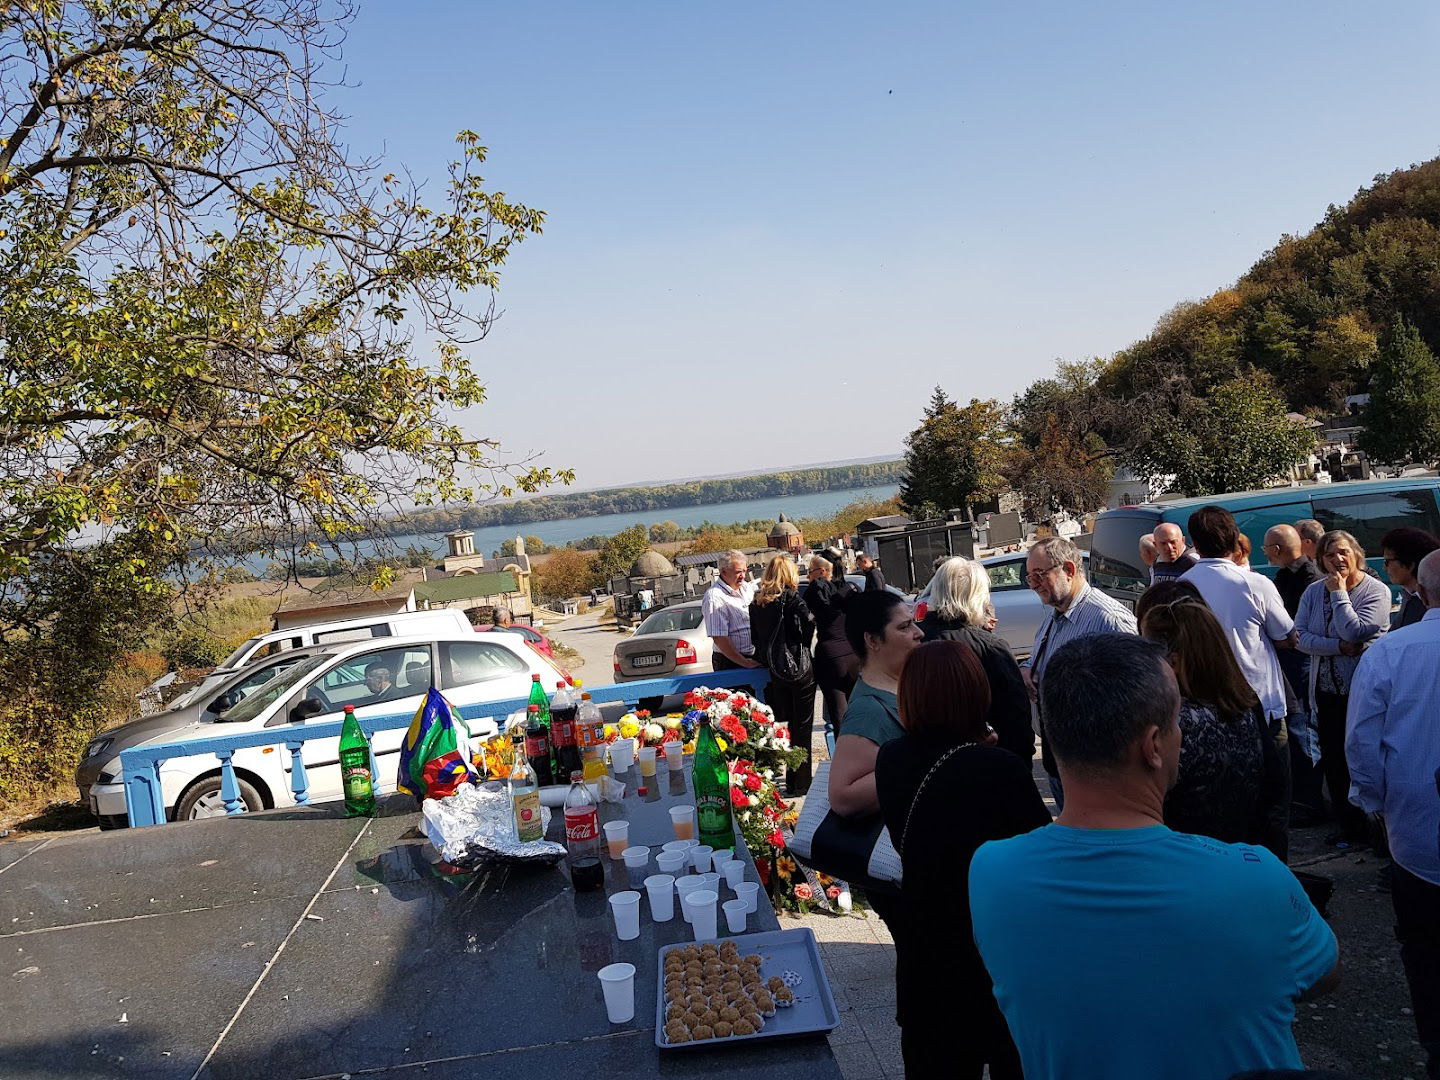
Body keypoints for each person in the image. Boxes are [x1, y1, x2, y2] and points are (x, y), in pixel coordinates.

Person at [969, 634, 1340, 1080]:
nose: (1181, 735)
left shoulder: (991, 871)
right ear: (1153, 746)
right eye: (1176, 721)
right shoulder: (1255, 877)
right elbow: (1323, 974)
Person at [876, 641, 1050, 1078]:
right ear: (977, 693)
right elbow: (1038, 850)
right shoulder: (1001, 770)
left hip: (927, 952)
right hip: (996, 952)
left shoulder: (891, 760)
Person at [1347, 549, 1440, 1077]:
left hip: (1416, 834)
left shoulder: (1391, 652)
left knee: (1427, 954)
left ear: (1420, 595)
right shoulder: (1390, 651)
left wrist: (1374, 803)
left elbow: (1362, 741)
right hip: (1415, 830)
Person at [1136, 589, 1270, 846]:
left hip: (1185, 860)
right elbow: (1272, 792)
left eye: (1149, 653)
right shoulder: (1242, 705)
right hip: (1240, 853)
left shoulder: (1177, 724)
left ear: (1173, 662)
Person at [1022, 536, 1138, 809]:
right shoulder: (1055, 614)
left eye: (1039, 575)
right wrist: (1027, 671)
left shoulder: (1107, 618)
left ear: (1070, 570)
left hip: (1097, 766)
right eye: (1029, 577)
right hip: (1061, 760)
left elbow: (1138, 692)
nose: (1034, 585)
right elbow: (1039, 659)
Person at [1295, 529, 1390, 845]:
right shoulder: (1312, 592)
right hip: (1325, 689)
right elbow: (1301, 638)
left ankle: (1376, 823)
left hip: (1363, 691)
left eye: (1343, 552)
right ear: (1320, 559)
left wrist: (1339, 595)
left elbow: (1356, 631)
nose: (1337, 560)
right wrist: (1336, 646)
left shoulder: (1375, 591)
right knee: (1334, 758)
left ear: (1356, 554)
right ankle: (1348, 825)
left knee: (1363, 754)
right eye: (1329, 554)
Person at [919, 557, 1034, 760]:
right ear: (979, 596)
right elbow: (1016, 719)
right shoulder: (991, 648)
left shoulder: (913, 641)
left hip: (926, 764)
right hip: (988, 764)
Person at [1264, 523, 1325, 824]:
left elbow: (1296, 629)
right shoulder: (1284, 576)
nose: (1265, 554)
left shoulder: (1308, 577)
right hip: (1289, 662)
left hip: (1300, 663)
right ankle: (1304, 798)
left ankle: (1312, 803)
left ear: (1277, 549)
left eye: (1267, 548)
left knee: (1304, 731)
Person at [749, 555, 818, 795]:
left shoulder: (757, 604)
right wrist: (803, 644)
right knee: (803, 726)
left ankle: (788, 776)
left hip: (774, 669)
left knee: (785, 725)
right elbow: (809, 623)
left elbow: (755, 639)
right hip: (799, 667)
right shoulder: (792, 599)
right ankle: (799, 782)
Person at [803, 553, 860, 737]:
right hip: (853, 653)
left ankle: (847, 760)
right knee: (859, 712)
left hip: (830, 655)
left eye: (810, 571)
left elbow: (808, 623)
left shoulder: (815, 592)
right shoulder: (848, 589)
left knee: (839, 715)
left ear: (821, 571)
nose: (807, 576)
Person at [702, 550, 758, 670]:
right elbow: (719, 637)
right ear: (723, 572)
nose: (743, 576)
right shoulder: (715, 597)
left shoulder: (747, 588)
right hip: (731, 660)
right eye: (738, 572)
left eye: (744, 571)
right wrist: (744, 663)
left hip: (752, 655)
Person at [1381, 527, 1440, 629]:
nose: (1384, 568)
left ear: (1410, 564)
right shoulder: (1410, 597)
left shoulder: (1429, 603)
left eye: (1387, 562)